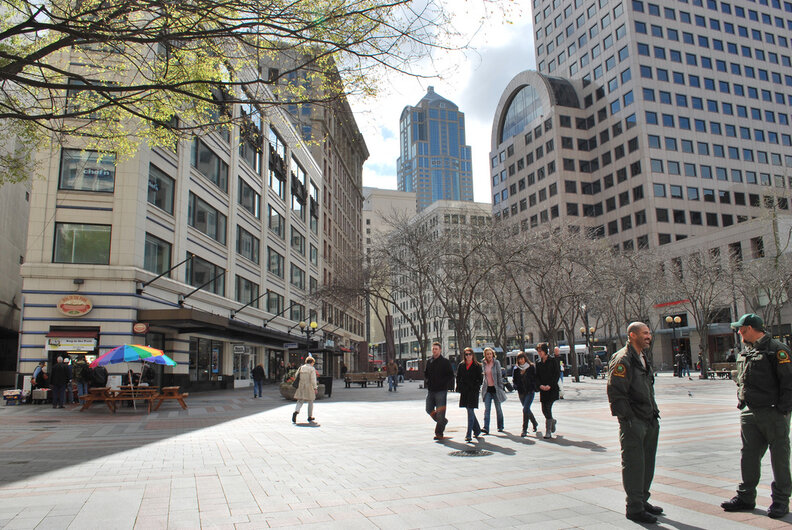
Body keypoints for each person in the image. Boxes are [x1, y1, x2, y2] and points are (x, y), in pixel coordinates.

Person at [721, 313, 792, 520]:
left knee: (779, 457)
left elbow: (789, 382)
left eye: (741, 329)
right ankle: (746, 497)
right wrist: (742, 401)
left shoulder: (776, 349)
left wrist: (782, 410)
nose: (738, 332)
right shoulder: (748, 351)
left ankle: (781, 500)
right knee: (749, 455)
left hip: (772, 412)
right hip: (750, 412)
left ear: (750, 328)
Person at [607, 322, 662, 524]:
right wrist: (628, 419)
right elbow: (616, 392)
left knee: (647, 463)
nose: (648, 336)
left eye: (649, 333)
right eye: (644, 333)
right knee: (634, 464)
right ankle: (634, 507)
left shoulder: (642, 356)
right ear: (632, 335)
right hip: (634, 421)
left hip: (649, 418)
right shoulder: (623, 359)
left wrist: (653, 415)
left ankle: (642, 500)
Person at [424, 342, 454, 440]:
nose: (434, 351)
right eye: (433, 349)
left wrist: (443, 383)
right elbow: (426, 373)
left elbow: (450, 375)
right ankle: (443, 421)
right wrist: (427, 382)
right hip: (431, 390)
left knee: (441, 412)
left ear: (440, 350)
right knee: (428, 408)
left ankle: (439, 433)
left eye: (436, 349)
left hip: (441, 390)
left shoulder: (445, 362)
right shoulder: (429, 361)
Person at [456, 347, 483, 442]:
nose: (468, 356)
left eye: (469, 354)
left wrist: (475, 387)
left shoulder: (477, 366)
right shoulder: (461, 365)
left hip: (473, 391)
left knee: (470, 411)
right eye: (466, 354)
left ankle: (468, 434)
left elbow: (480, 379)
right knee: (469, 410)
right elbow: (458, 377)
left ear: (472, 355)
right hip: (465, 391)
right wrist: (459, 387)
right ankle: (477, 429)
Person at [536, 343, 560, 438]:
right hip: (543, 389)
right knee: (544, 409)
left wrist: (550, 385)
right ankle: (552, 421)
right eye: (538, 351)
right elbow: (537, 376)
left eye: (540, 351)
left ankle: (548, 431)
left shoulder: (552, 360)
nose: (539, 353)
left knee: (548, 408)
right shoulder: (538, 362)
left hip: (552, 388)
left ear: (545, 351)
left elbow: (556, 374)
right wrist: (540, 385)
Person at [480, 347, 506, 434]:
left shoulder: (496, 363)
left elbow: (499, 375)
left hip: (496, 389)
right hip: (487, 389)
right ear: (485, 355)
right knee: (487, 409)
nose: (489, 355)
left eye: (490, 354)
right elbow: (484, 376)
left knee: (498, 408)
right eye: (487, 354)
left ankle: (500, 426)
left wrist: (500, 387)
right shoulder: (483, 363)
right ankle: (486, 427)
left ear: (493, 354)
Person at [512, 352, 539, 436]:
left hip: (530, 391)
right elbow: (514, 380)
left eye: (522, 358)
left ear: (525, 358)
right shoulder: (516, 369)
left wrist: (534, 386)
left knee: (525, 409)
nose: (521, 360)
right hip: (521, 391)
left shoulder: (531, 367)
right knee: (526, 409)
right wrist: (515, 385)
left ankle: (524, 429)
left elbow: (535, 378)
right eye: (519, 359)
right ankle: (534, 422)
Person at [292, 356, 318, 423]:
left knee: (300, 400)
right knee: (310, 401)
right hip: (309, 386)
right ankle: (309, 416)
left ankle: (296, 411)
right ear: (312, 362)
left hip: (301, 386)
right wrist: (315, 388)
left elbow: (296, 375)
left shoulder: (301, 367)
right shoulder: (312, 369)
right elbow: (313, 379)